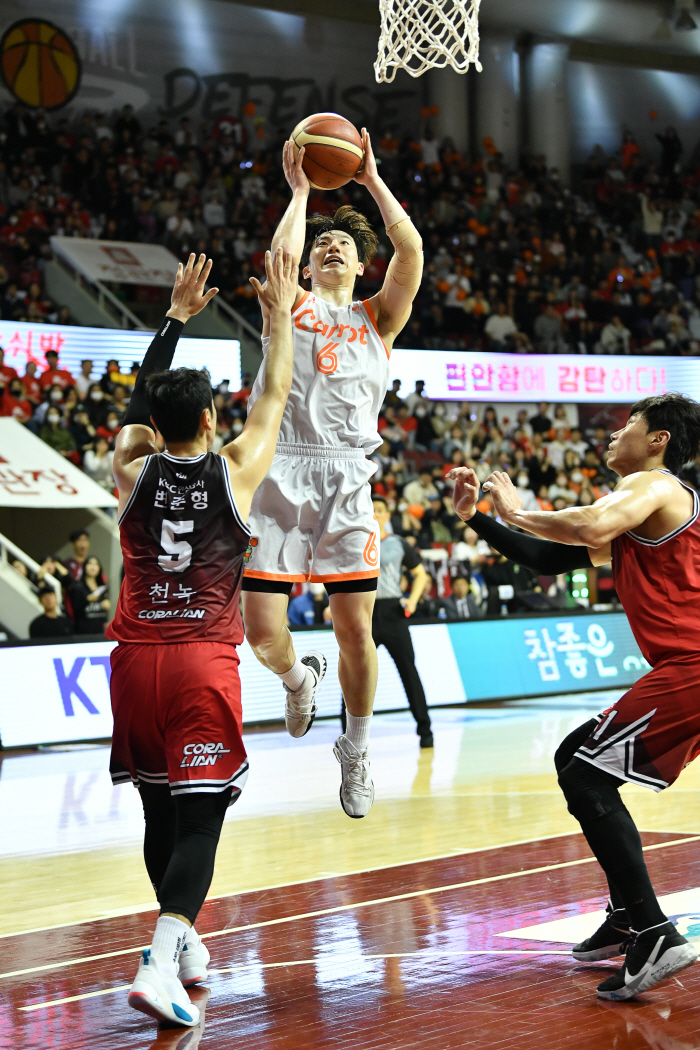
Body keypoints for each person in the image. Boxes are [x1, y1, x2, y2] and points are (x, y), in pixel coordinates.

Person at [448, 391, 700, 1001]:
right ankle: (629, 915)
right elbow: (548, 556)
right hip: (685, 667)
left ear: (659, 439)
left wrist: (518, 509)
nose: (614, 433)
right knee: (578, 762)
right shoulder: (640, 510)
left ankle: (653, 931)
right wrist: (478, 519)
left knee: (583, 771)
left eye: (629, 424)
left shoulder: (655, 486)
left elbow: (587, 524)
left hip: (693, 665)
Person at [107, 250, 296, 1028]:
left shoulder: (129, 466)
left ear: (154, 426)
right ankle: (159, 962)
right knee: (201, 821)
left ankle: (183, 949)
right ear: (213, 421)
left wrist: (173, 319)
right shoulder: (237, 469)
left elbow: (140, 401)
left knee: (159, 814)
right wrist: (277, 318)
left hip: (133, 663)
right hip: (200, 662)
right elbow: (274, 394)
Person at [241, 133, 423, 818]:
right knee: (261, 630)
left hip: (348, 480)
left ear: (360, 260)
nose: (331, 247)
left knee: (356, 630)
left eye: (343, 243)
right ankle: (297, 678)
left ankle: (357, 747)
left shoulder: (378, 317)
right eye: (323, 243)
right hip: (282, 471)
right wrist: (299, 193)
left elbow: (412, 253)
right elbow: (282, 258)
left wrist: (372, 180)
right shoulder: (291, 304)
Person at [350, 496, 433, 747]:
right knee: (354, 674)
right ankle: (349, 735)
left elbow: (420, 575)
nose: (376, 513)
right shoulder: (354, 542)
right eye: (372, 509)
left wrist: (413, 601)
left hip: (393, 612)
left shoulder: (398, 543)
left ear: (387, 515)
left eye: (381, 509)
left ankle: (425, 730)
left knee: (409, 671)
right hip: (364, 613)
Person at [69, 555, 110, 634]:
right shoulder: (78, 587)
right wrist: (86, 600)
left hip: (101, 629)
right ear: (84, 567)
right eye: (90, 564)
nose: (93, 567)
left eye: (96, 564)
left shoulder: (103, 587)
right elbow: (75, 610)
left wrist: (107, 603)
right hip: (83, 631)